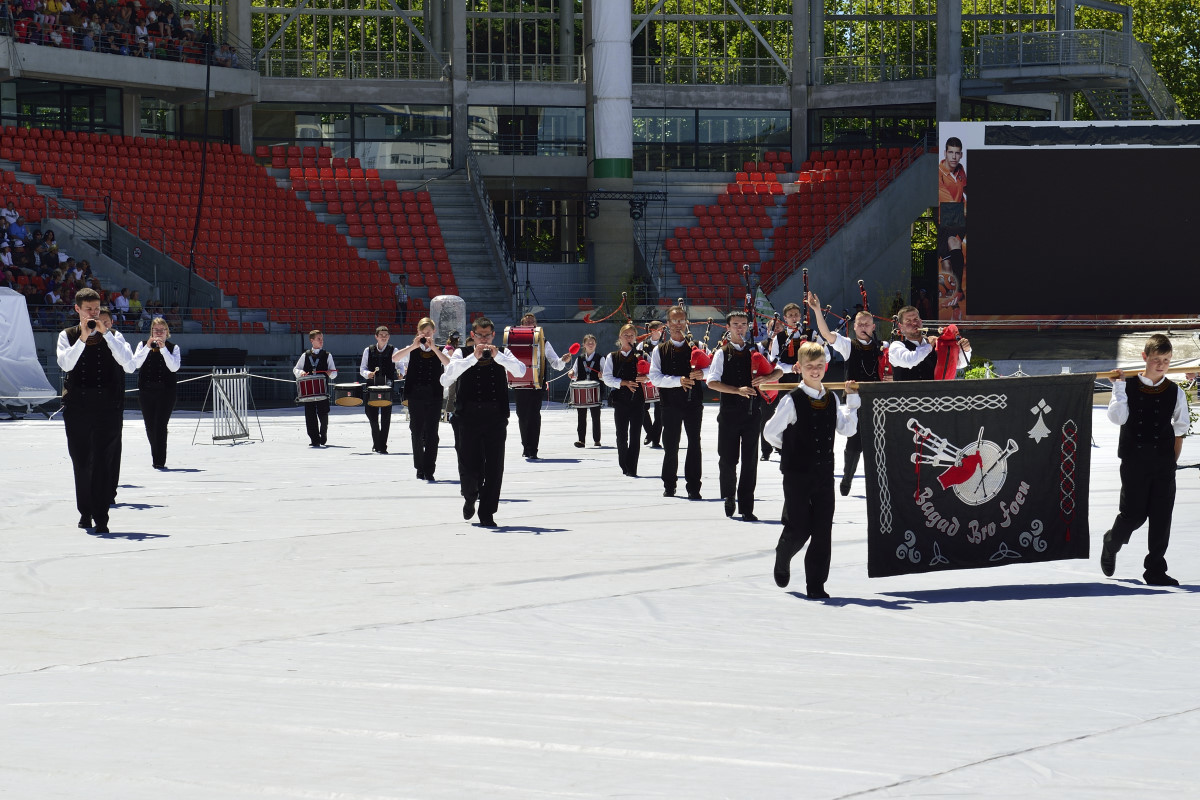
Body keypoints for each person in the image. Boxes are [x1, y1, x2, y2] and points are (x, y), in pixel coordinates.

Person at [763, 341, 861, 599]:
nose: (815, 371)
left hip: (824, 474)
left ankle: (816, 585)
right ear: (800, 368)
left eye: (819, 366)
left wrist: (852, 399)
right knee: (799, 527)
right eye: (810, 367)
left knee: (822, 530)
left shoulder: (830, 399)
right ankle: (783, 553)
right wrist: (792, 448)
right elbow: (770, 433)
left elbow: (847, 429)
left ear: (826, 367)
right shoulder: (791, 400)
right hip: (796, 474)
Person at [1100, 334, 1190, 586]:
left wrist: (1172, 460)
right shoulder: (1126, 385)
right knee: (1134, 515)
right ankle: (1112, 541)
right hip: (1134, 461)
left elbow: (1180, 429)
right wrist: (1118, 387)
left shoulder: (1175, 391)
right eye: (1156, 359)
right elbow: (1118, 418)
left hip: (1163, 462)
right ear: (1144, 358)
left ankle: (1155, 570)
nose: (1161, 364)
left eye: (1166, 360)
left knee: (1162, 517)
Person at [56, 288, 136, 534]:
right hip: (78, 407)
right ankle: (85, 511)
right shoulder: (67, 335)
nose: (94, 313)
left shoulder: (115, 334)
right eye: (89, 309)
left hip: (107, 408)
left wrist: (107, 335)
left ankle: (102, 516)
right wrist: (83, 336)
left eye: (97, 308)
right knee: (81, 461)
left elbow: (129, 365)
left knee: (103, 461)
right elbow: (65, 363)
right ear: (78, 309)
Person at [440, 317, 526, 527]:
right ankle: (470, 497)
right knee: (469, 466)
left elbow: (521, 371)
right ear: (473, 335)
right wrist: (472, 359)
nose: (484, 339)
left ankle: (487, 512)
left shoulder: (503, 353)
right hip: (467, 418)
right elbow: (446, 379)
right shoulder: (462, 354)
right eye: (480, 335)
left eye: (488, 335)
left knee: (495, 467)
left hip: (495, 418)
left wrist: (500, 357)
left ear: (493, 335)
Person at [806, 290, 887, 495]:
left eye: (867, 324)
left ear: (873, 327)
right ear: (854, 327)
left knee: (880, 445)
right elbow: (826, 335)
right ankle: (847, 478)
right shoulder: (848, 346)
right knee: (855, 442)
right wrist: (816, 310)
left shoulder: (883, 347)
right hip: (856, 401)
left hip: (879, 402)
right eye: (859, 324)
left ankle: (879, 483)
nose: (863, 328)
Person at [707, 309, 782, 521]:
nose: (739, 328)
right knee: (728, 459)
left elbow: (780, 371)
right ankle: (729, 496)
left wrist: (768, 377)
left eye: (743, 324)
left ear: (748, 326)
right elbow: (712, 382)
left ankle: (747, 506)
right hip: (729, 414)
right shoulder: (722, 353)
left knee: (750, 462)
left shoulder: (757, 350)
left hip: (752, 414)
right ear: (728, 328)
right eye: (735, 325)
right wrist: (737, 390)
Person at [649, 305, 706, 499]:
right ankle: (669, 484)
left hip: (693, 403)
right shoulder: (660, 350)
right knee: (671, 445)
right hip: (670, 404)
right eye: (674, 321)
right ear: (667, 324)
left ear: (687, 323)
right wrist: (678, 380)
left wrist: (702, 373)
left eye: (681, 320)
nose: (678, 324)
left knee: (694, 444)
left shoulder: (697, 346)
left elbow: (712, 370)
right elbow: (655, 378)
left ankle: (693, 487)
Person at [393, 317, 451, 478]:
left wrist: (434, 348)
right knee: (416, 431)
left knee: (433, 433)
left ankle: (430, 468)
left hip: (434, 395)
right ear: (418, 332)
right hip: (415, 395)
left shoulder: (440, 349)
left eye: (429, 332)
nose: (426, 335)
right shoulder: (412, 349)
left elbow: (448, 364)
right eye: (423, 332)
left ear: (434, 332)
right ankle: (420, 466)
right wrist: (413, 345)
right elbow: (395, 358)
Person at [513, 312, 571, 460]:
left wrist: (563, 360)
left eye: (531, 322)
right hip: (520, 384)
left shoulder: (544, 341)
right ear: (521, 325)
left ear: (536, 325)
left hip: (537, 384)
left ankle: (533, 449)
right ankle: (525, 445)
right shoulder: (515, 340)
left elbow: (555, 363)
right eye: (526, 322)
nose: (529, 324)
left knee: (534, 416)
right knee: (522, 415)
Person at [131, 315, 181, 469]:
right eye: (156, 330)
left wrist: (163, 348)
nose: (159, 333)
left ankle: (159, 460)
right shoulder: (142, 345)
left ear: (167, 331)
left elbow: (174, 367)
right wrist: (147, 347)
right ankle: (156, 453)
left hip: (166, 391)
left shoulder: (174, 348)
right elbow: (136, 364)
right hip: (147, 391)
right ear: (151, 331)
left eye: (162, 330)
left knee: (160, 425)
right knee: (150, 425)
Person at [601, 323, 647, 477]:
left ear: (635, 338)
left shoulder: (642, 355)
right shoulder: (612, 356)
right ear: (620, 337)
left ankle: (632, 467)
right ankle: (624, 463)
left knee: (635, 434)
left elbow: (653, 375)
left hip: (638, 399)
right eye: (625, 335)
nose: (629, 338)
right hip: (620, 400)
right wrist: (623, 383)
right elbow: (607, 378)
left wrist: (645, 378)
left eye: (631, 335)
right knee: (621, 434)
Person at [887, 305, 971, 382]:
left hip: (933, 396)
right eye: (908, 321)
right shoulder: (896, 346)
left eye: (916, 319)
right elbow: (909, 360)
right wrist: (929, 346)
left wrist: (966, 350)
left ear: (921, 322)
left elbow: (959, 364)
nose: (914, 323)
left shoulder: (935, 344)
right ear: (901, 327)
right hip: (905, 397)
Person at [293, 329, 337, 447]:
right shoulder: (305, 355)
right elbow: (296, 369)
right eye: (319, 339)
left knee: (323, 413)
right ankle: (314, 439)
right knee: (310, 415)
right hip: (308, 392)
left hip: (322, 391)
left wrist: (330, 373)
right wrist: (301, 372)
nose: (321, 341)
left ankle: (323, 433)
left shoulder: (328, 355)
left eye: (322, 339)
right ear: (312, 340)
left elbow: (334, 373)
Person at [359, 325, 399, 455]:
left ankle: (382, 446)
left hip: (387, 388)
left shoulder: (394, 350)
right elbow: (362, 369)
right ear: (376, 336)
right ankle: (378, 443)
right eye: (381, 335)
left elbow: (400, 366)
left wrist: (401, 373)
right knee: (372, 416)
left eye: (386, 335)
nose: (384, 337)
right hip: (372, 388)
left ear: (389, 336)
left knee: (386, 418)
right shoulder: (368, 350)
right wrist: (367, 374)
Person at [572, 333, 603, 448]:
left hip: (595, 390)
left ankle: (597, 440)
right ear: (584, 345)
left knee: (595, 416)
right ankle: (581, 440)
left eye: (593, 343)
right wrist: (571, 374)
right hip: (582, 391)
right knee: (581, 416)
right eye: (588, 343)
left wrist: (602, 375)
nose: (590, 345)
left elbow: (605, 374)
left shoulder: (600, 358)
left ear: (595, 345)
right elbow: (574, 372)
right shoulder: (579, 359)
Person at [639, 320, 664, 448]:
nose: (662, 331)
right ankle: (650, 433)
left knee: (660, 412)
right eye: (660, 329)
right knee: (643, 409)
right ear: (653, 330)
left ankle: (655, 440)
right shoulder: (641, 346)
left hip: (660, 380)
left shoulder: (665, 345)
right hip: (645, 381)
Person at [937, 136, 967, 206]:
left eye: (957, 153)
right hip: (947, 215)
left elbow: (965, 187)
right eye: (950, 152)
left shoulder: (960, 168)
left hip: (962, 214)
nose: (954, 157)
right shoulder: (937, 175)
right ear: (945, 153)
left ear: (961, 155)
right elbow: (952, 207)